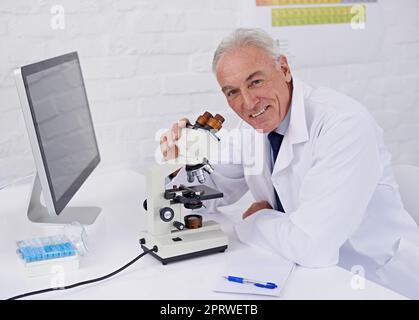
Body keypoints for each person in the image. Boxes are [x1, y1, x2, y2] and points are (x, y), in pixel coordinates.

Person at [160, 28, 419, 298]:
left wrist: (257, 219)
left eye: (256, 82)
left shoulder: (343, 124)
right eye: (232, 92)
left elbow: (313, 246)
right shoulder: (251, 128)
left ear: (284, 69)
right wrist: (182, 163)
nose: (248, 102)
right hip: (297, 273)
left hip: (375, 281)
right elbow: (205, 193)